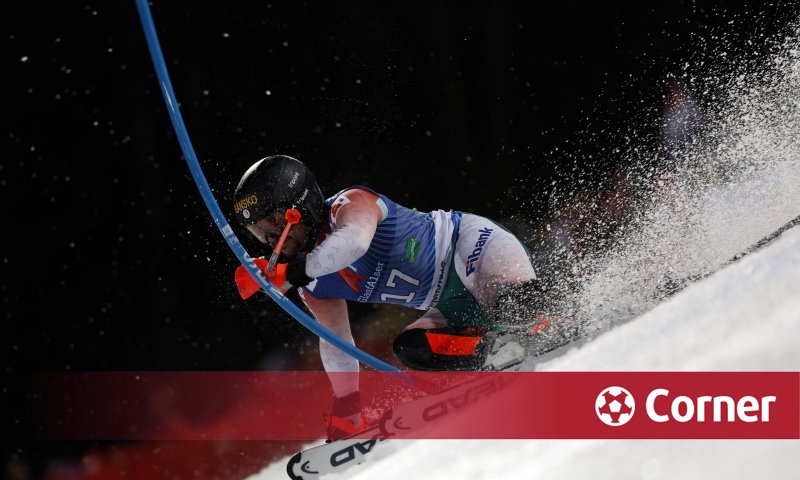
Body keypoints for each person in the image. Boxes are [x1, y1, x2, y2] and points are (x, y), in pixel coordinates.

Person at [232, 155, 573, 440]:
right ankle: (500, 348)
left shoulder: (349, 204)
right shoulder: (313, 282)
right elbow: (336, 342)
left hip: (475, 250)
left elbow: (354, 243)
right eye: (259, 231)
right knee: (413, 348)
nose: (270, 237)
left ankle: (570, 308)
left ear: (298, 209)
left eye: (273, 222)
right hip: (449, 303)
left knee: (512, 303)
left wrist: (293, 274)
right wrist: (346, 407)